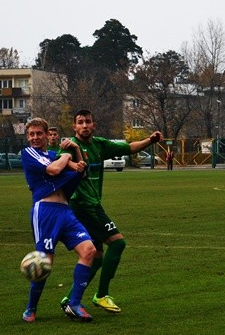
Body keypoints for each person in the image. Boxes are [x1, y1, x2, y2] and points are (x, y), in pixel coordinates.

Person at [62, 109, 163, 314]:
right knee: (117, 243)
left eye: (88, 121)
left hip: (92, 205)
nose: (84, 126)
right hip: (83, 206)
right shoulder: (70, 146)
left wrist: (150, 141)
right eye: (80, 122)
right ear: (74, 127)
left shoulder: (100, 144)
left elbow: (129, 147)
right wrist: (69, 161)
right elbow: (60, 161)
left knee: (97, 256)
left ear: (93, 124)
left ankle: (70, 298)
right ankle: (101, 295)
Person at [20, 117, 97, 323]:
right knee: (45, 263)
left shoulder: (54, 155)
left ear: (46, 135)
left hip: (66, 211)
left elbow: (81, 170)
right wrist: (65, 156)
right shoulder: (28, 153)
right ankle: (31, 309)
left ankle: (75, 303)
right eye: (31, 134)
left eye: (39, 134)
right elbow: (54, 169)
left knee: (89, 250)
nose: (35, 138)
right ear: (28, 137)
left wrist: (75, 150)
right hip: (45, 211)